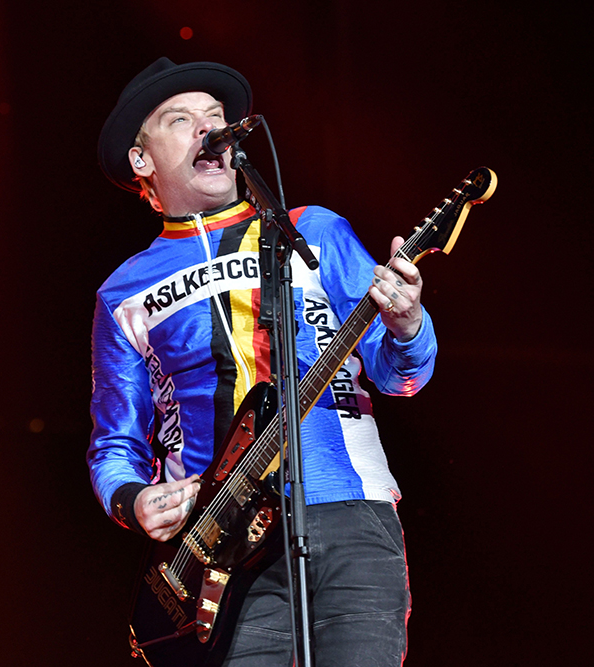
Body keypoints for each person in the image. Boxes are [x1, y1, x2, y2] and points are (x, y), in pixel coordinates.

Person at [88, 57, 437, 667]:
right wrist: (132, 499)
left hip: (350, 515)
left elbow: (398, 373)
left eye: (216, 117)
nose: (208, 130)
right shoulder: (124, 291)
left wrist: (406, 323)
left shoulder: (315, 232)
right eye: (181, 119)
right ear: (142, 161)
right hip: (218, 550)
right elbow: (114, 443)